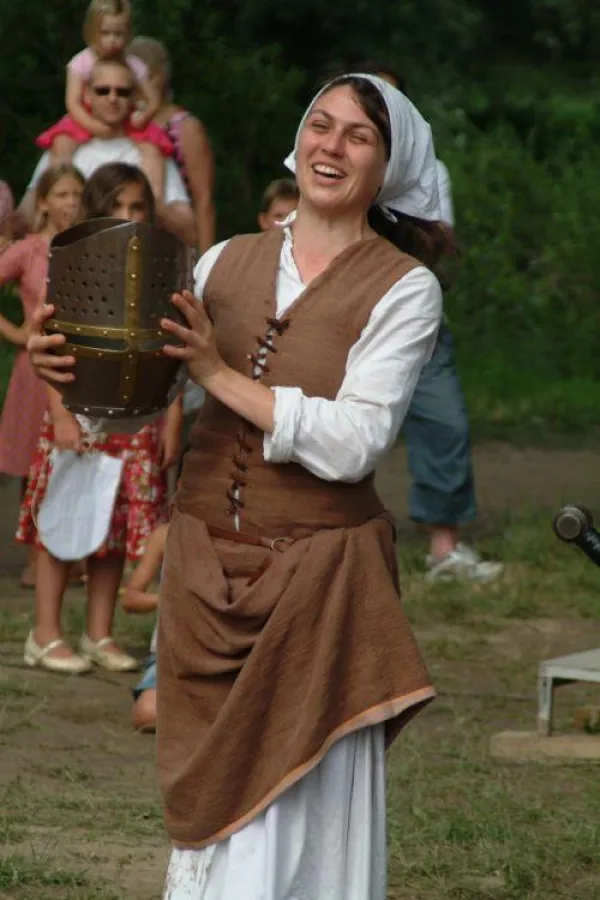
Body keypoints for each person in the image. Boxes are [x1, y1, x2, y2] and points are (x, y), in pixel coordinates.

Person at [29, 74, 446, 898]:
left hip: (320, 589)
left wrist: (218, 372)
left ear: (387, 164)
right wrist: (78, 381)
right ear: (299, 140)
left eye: (357, 136)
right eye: (320, 126)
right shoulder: (223, 262)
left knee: (300, 837)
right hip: (204, 575)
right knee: (213, 834)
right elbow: (151, 407)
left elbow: (356, 442)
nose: (331, 146)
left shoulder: (404, 288)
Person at [18, 162, 182, 676]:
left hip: (133, 422)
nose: (127, 216)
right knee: (62, 522)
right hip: (76, 415)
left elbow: (171, 348)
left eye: (136, 207)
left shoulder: (161, 263)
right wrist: (61, 415)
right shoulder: (73, 260)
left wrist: (171, 420)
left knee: (111, 528)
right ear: (95, 209)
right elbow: (45, 345)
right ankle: (44, 634)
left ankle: (98, 632)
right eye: (115, 206)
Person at [355, 60, 503, 582]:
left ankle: (444, 549)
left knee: (446, 423)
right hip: (343, 312)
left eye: (391, 104)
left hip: (414, 314)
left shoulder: (430, 171)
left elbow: (434, 242)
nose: (381, 114)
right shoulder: (332, 160)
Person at [0, 164, 84, 588]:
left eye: (77, 194)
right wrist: (17, 332)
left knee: (76, 458)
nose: (71, 202)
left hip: (83, 369)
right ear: (45, 201)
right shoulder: (30, 250)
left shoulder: (89, 246)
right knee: (36, 462)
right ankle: (35, 559)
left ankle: (75, 555)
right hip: (37, 370)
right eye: (64, 194)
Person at [19, 59, 195, 246]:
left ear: (135, 97)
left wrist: (147, 202)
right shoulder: (63, 150)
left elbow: (188, 232)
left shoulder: (152, 153)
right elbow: (26, 217)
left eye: (123, 92)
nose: (113, 98)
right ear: (87, 94)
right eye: (103, 90)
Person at [36, 0, 169, 200]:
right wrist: (93, 126)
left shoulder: (133, 64)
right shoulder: (80, 62)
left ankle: (154, 200)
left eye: (119, 34)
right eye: (106, 33)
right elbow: (72, 102)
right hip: (83, 117)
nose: (112, 40)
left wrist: (143, 116)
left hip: (125, 119)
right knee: (61, 144)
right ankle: (56, 193)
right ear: (92, 32)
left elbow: (153, 99)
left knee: (152, 150)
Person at [128, 36, 216, 254]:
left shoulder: (184, 127)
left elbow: (203, 201)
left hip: (174, 241)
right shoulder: (122, 123)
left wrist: (204, 264)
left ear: (157, 77)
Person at [122, 521, 168, 732]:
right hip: (171, 655)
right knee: (148, 713)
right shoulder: (165, 534)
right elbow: (130, 599)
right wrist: (171, 599)